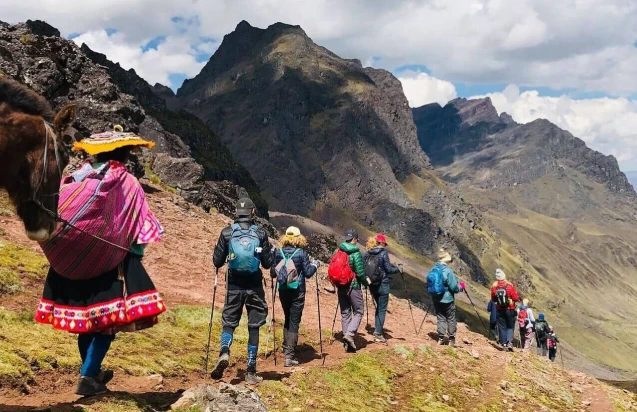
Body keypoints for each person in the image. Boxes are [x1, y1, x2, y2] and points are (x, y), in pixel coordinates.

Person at [35, 126, 166, 396]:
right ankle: (87, 375)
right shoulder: (125, 181)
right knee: (105, 323)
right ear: (122, 152)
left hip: (69, 261)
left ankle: (92, 372)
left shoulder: (75, 177)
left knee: (87, 319)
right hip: (107, 261)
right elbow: (138, 224)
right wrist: (132, 255)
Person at [210, 197, 274, 384]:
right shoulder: (260, 234)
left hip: (234, 286)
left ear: (236, 213)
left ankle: (224, 351)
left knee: (229, 322)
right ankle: (251, 371)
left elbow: (217, 261)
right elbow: (267, 263)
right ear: (253, 212)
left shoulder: (227, 232)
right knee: (253, 326)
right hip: (254, 286)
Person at [270, 226, 320, 367]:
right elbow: (308, 273)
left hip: (283, 289)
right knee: (294, 321)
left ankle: (286, 347)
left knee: (287, 317)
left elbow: (273, 273)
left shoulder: (279, 252)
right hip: (297, 290)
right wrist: (316, 265)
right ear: (299, 238)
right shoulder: (301, 253)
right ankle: (289, 356)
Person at [332, 229, 369, 353]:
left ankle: (347, 342)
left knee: (345, 312)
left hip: (340, 286)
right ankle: (350, 334)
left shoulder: (338, 250)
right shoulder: (355, 253)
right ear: (355, 239)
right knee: (358, 311)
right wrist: (366, 282)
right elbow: (360, 273)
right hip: (353, 286)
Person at [364, 234, 401, 344]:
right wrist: (398, 269)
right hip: (383, 284)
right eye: (384, 244)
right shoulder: (383, 253)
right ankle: (378, 334)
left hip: (372, 284)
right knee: (381, 308)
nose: (385, 246)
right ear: (382, 243)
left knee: (378, 306)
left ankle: (377, 330)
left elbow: (363, 268)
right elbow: (389, 269)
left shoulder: (367, 252)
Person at [427, 249, 465, 347]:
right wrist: (461, 287)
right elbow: (454, 287)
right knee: (451, 318)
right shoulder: (448, 270)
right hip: (447, 299)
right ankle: (451, 339)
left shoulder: (433, 269)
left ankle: (441, 338)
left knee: (440, 318)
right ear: (446, 261)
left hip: (436, 297)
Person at [490, 269, 520, 350]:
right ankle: (510, 342)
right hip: (509, 308)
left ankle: (504, 344)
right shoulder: (509, 286)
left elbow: (493, 299)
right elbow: (515, 298)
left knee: (502, 326)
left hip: (499, 309)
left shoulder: (494, 287)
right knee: (510, 326)